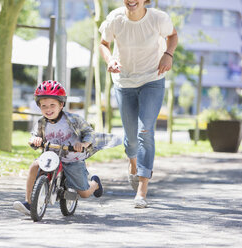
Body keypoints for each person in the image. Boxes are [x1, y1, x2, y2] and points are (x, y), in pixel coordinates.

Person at [99, 0, 178, 208]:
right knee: (131, 137)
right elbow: (103, 44)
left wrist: (168, 55)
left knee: (145, 131)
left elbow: (173, 35)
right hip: (124, 82)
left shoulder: (158, 18)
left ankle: (142, 189)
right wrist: (109, 60)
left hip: (152, 78)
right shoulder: (115, 19)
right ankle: (133, 163)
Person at [13, 80, 122, 216]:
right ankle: (29, 203)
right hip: (51, 157)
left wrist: (82, 144)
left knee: (84, 193)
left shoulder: (74, 120)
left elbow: (89, 133)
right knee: (34, 166)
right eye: (44, 106)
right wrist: (35, 140)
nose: (48, 109)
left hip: (73, 159)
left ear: (61, 104)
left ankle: (95, 183)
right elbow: (34, 136)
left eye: (52, 105)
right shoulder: (41, 122)